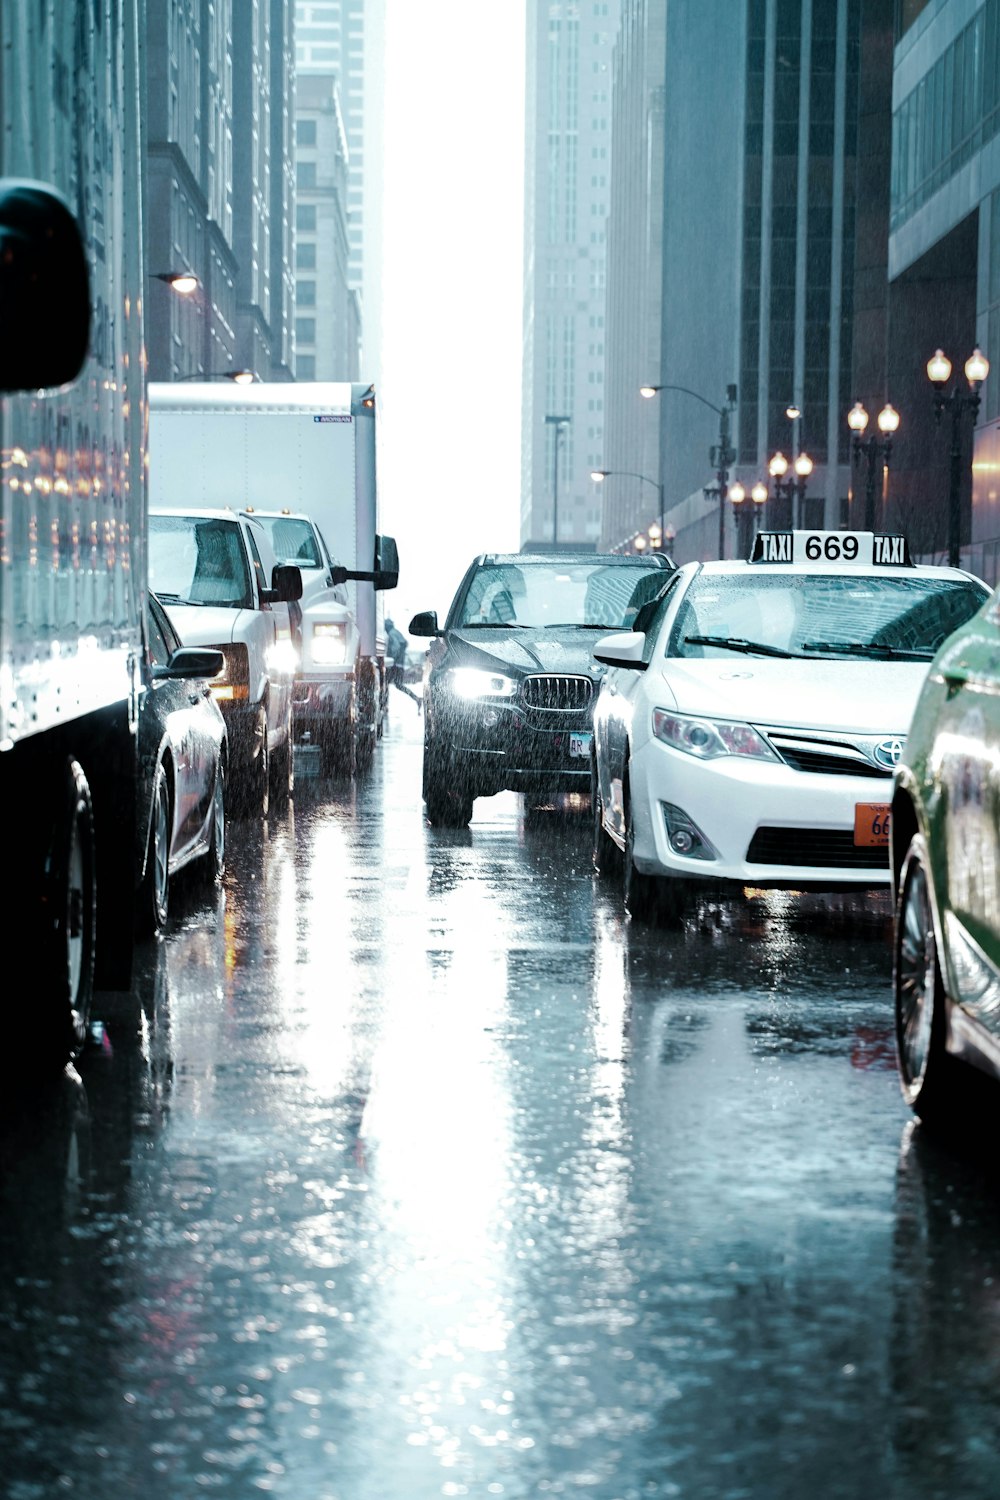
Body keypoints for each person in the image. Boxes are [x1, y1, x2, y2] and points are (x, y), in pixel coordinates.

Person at [385, 618, 421, 709]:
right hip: (399, 664)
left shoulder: (391, 634)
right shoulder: (396, 632)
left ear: (387, 626)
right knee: (398, 684)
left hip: (395, 664)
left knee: (385, 682)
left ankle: (383, 703)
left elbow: (396, 647)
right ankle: (416, 698)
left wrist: (393, 659)